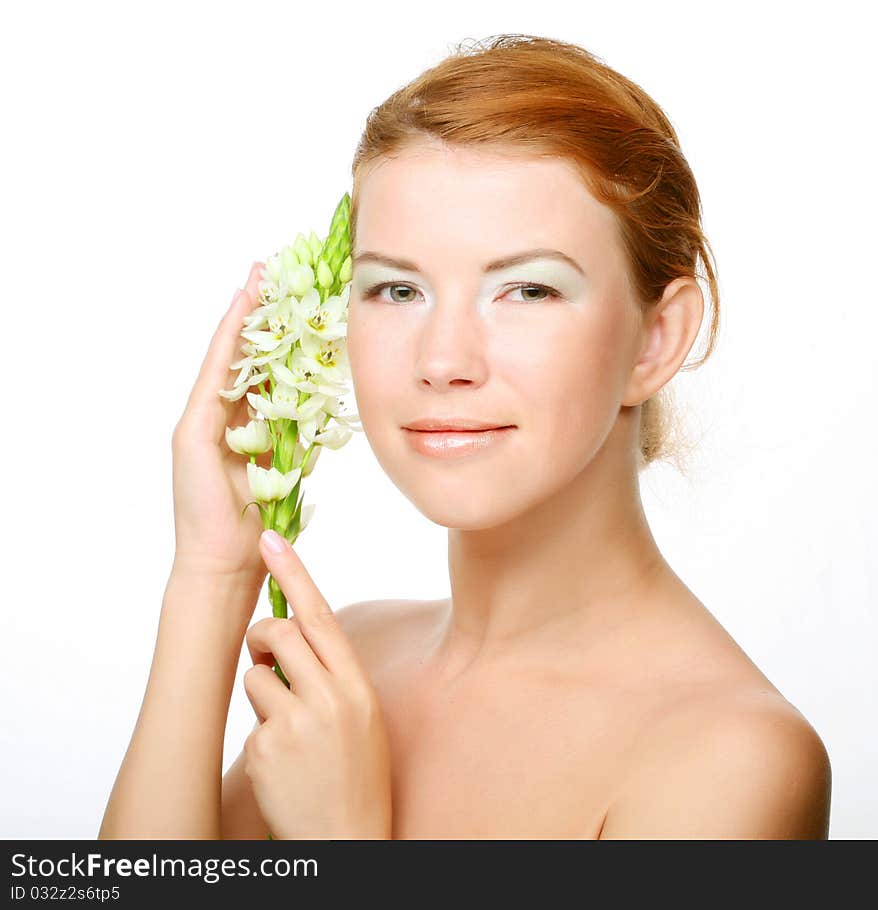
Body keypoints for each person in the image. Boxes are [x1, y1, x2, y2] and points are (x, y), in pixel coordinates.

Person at [99, 34, 831, 840]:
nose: (442, 360)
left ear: (656, 340)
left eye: (526, 289)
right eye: (398, 288)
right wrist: (213, 575)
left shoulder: (734, 759)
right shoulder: (352, 664)